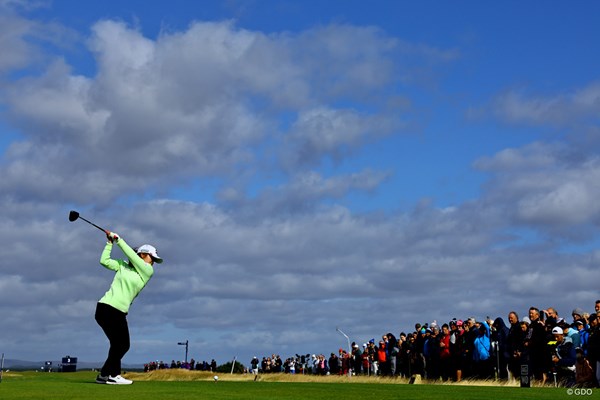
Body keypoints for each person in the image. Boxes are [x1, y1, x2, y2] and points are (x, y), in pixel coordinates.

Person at [95, 231, 163, 385]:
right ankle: (113, 375)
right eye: (151, 258)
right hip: (106, 308)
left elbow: (132, 257)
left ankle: (105, 375)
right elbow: (104, 261)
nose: (152, 262)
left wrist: (119, 239)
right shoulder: (122, 265)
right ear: (142, 255)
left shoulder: (147, 271)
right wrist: (110, 243)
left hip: (119, 312)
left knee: (120, 344)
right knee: (121, 344)